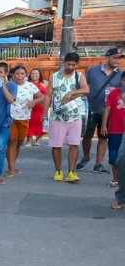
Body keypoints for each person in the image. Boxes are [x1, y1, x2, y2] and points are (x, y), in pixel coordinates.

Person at [45, 52, 90, 183]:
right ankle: (58, 170)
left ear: (77, 64)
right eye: (68, 64)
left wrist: (72, 92)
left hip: (75, 115)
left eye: (73, 64)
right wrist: (44, 113)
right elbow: (48, 95)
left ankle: (71, 172)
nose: (71, 66)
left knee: (74, 143)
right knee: (56, 144)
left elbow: (86, 90)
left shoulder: (79, 76)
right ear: (64, 62)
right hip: (57, 115)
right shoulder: (54, 77)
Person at [79, 47, 122, 173]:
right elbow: (83, 86)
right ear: (107, 57)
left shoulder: (120, 74)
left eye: (119, 58)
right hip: (92, 109)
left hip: (109, 111)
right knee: (87, 136)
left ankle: (99, 163)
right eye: (115, 58)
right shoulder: (92, 71)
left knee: (104, 137)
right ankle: (86, 157)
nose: (117, 61)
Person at [6, 65, 44, 177]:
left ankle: (12, 165)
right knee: (12, 141)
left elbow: (42, 97)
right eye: (17, 74)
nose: (20, 76)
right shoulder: (8, 85)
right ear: (12, 75)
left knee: (19, 142)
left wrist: (34, 102)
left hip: (25, 118)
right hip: (10, 118)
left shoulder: (30, 86)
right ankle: (11, 169)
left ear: (25, 75)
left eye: (22, 74)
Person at [101, 72, 125, 189]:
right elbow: (107, 108)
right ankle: (115, 179)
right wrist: (103, 125)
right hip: (115, 129)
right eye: (124, 80)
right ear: (121, 81)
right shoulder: (114, 93)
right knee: (113, 154)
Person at [26, 68, 48, 146]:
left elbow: (48, 95)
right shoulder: (27, 83)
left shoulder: (45, 83)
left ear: (39, 75)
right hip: (30, 106)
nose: (34, 75)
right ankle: (29, 140)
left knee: (40, 123)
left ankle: (38, 140)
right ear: (30, 75)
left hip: (41, 107)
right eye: (32, 73)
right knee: (29, 123)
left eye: (36, 73)